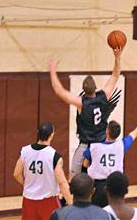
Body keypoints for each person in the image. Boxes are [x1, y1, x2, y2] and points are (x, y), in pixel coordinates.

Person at [48, 48, 122, 177]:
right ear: (96, 88)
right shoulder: (104, 95)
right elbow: (115, 75)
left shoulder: (81, 103)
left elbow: (59, 91)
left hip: (86, 145)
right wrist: (117, 57)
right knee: (99, 176)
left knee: (74, 176)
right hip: (101, 145)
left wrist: (52, 70)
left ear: (83, 90)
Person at [83, 107, 137, 207]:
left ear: (107, 131)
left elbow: (85, 164)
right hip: (115, 187)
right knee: (114, 213)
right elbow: (136, 132)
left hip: (98, 186)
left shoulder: (94, 147)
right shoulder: (121, 145)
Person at [13, 122, 72, 220]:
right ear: (52, 134)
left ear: (38, 133)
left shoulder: (25, 151)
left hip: (29, 200)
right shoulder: (54, 156)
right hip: (49, 201)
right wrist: (71, 203)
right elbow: (62, 183)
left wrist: (27, 185)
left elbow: (16, 174)